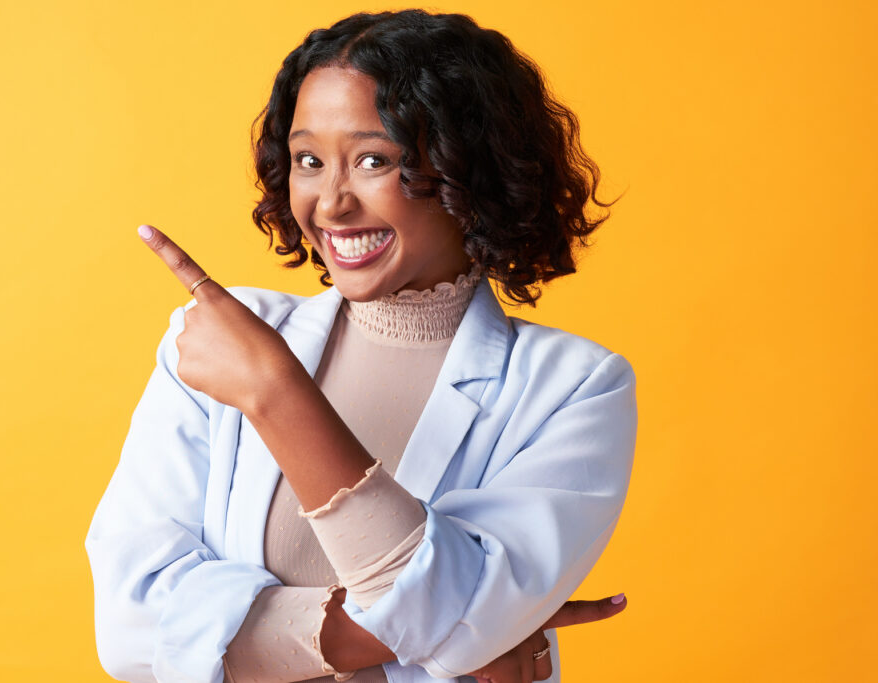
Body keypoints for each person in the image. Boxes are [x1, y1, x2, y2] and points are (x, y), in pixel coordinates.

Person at [86, 9, 636, 683]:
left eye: (375, 159)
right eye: (309, 160)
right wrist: (431, 631)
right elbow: (128, 626)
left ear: (472, 170)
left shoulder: (577, 387)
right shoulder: (216, 341)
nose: (331, 202)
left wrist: (277, 393)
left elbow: (441, 612)